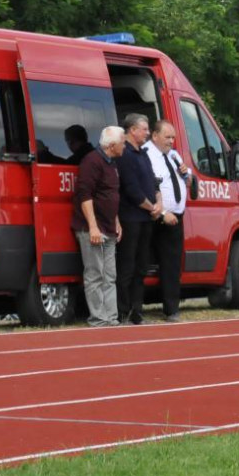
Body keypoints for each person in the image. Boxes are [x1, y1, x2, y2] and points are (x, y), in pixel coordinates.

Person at [74, 127, 124, 327]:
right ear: (111, 145)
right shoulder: (92, 161)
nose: (124, 146)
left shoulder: (112, 163)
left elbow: (111, 195)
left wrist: (116, 220)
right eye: (122, 142)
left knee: (110, 275)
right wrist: (93, 227)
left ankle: (111, 317)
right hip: (94, 228)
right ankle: (99, 319)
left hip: (109, 226)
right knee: (95, 274)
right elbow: (84, 195)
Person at [115, 113, 160, 325]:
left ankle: (137, 310)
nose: (147, 133)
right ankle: (122, 311)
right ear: (132, 130)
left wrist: (159, 202)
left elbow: (153, 180)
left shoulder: (143, 153)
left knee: (141, 266)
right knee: (127, 266)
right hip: (130, 218)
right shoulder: (124, 154)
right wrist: (152, 207)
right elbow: (131, 189)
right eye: (144, 129)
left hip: (145, 218)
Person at [144, 119, 191, 322]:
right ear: (155, 136)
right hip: (155, 215)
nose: (171, 141)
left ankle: (171, 308)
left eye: (173, 137)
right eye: (167, 137)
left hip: (175, 217)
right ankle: (134, 308)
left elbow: (188, 180)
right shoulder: (146, 154)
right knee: (144, 261)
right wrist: (162, 212)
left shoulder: (173, 155)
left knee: (172, 264)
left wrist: (186, 174)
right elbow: (148, 186)